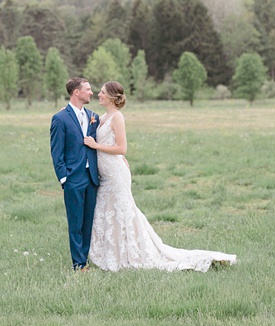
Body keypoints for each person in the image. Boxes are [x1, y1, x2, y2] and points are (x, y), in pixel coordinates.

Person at [85, 81, 236, 272]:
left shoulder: (117, 117)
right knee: (109, 212)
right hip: (106, 174)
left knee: (122, 211)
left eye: (102, 92)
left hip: (116, 175)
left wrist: (96, 146)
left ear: (112, 97)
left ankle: (130, 253)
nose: (99, 94)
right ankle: (112, 253)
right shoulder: (102, 117)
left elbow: (122, 147)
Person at [49, 76, 100, 271]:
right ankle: (78, 264)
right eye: (87, 89)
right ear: (76, 92)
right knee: (75, 223)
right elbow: (56, 151)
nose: (91, 92)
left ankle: (85, 258)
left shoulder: (93, 116)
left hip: (92, 178)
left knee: (88, 222)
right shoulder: (60, 118)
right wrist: (64, 177)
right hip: (73, 178)